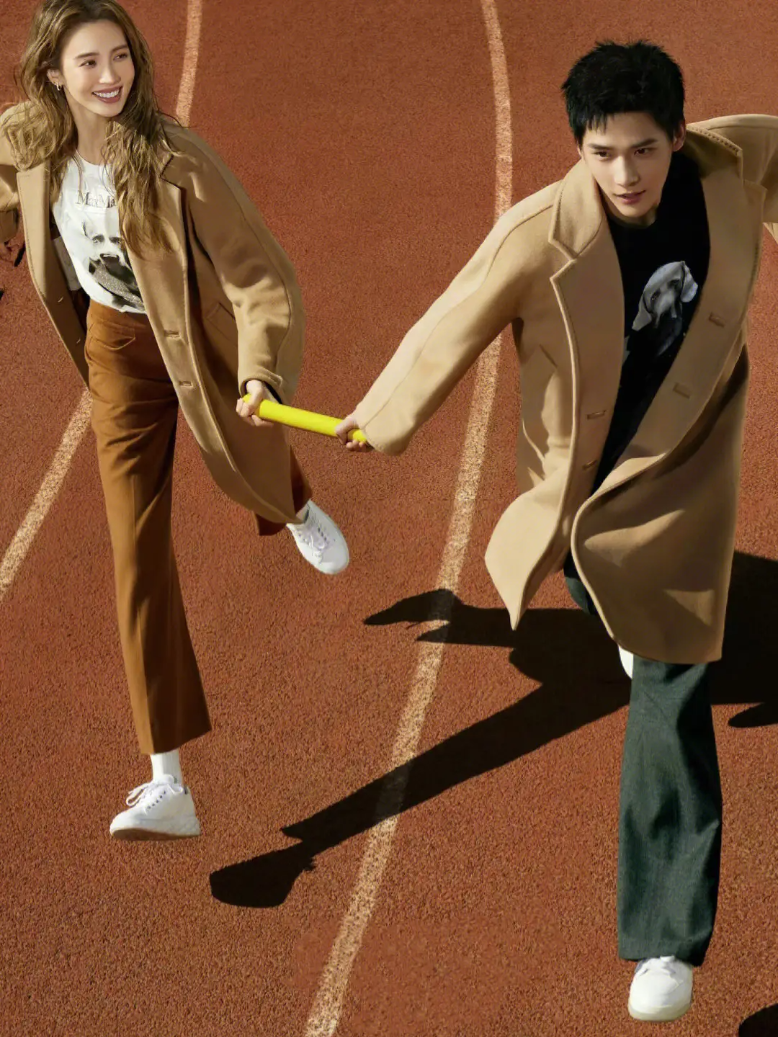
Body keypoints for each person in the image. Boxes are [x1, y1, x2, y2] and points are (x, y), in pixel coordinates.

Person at [336, 38, 778, 1024]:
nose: (624, 174)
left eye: (643, 149)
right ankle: (616, 607)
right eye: (601, 152)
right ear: (579, 147)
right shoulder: (537, 233)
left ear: (678, 136)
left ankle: (665, 933)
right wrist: (383, 414)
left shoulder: (733, 161)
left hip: (687, 459)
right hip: (581, 479)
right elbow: (450, 322)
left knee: (671, 679)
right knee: (593, 577)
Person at [0, 0, 350, 841]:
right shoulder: (28, 140)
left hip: (193, 338)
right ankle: (169, 781)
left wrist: (259, 368)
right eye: (89, 62)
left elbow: (258, 274)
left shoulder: (175, 158)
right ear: (53, 76)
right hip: (115, 351)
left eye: (120, 55)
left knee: (244, 451)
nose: (110, 75)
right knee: (136, 553)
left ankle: (292, 503)